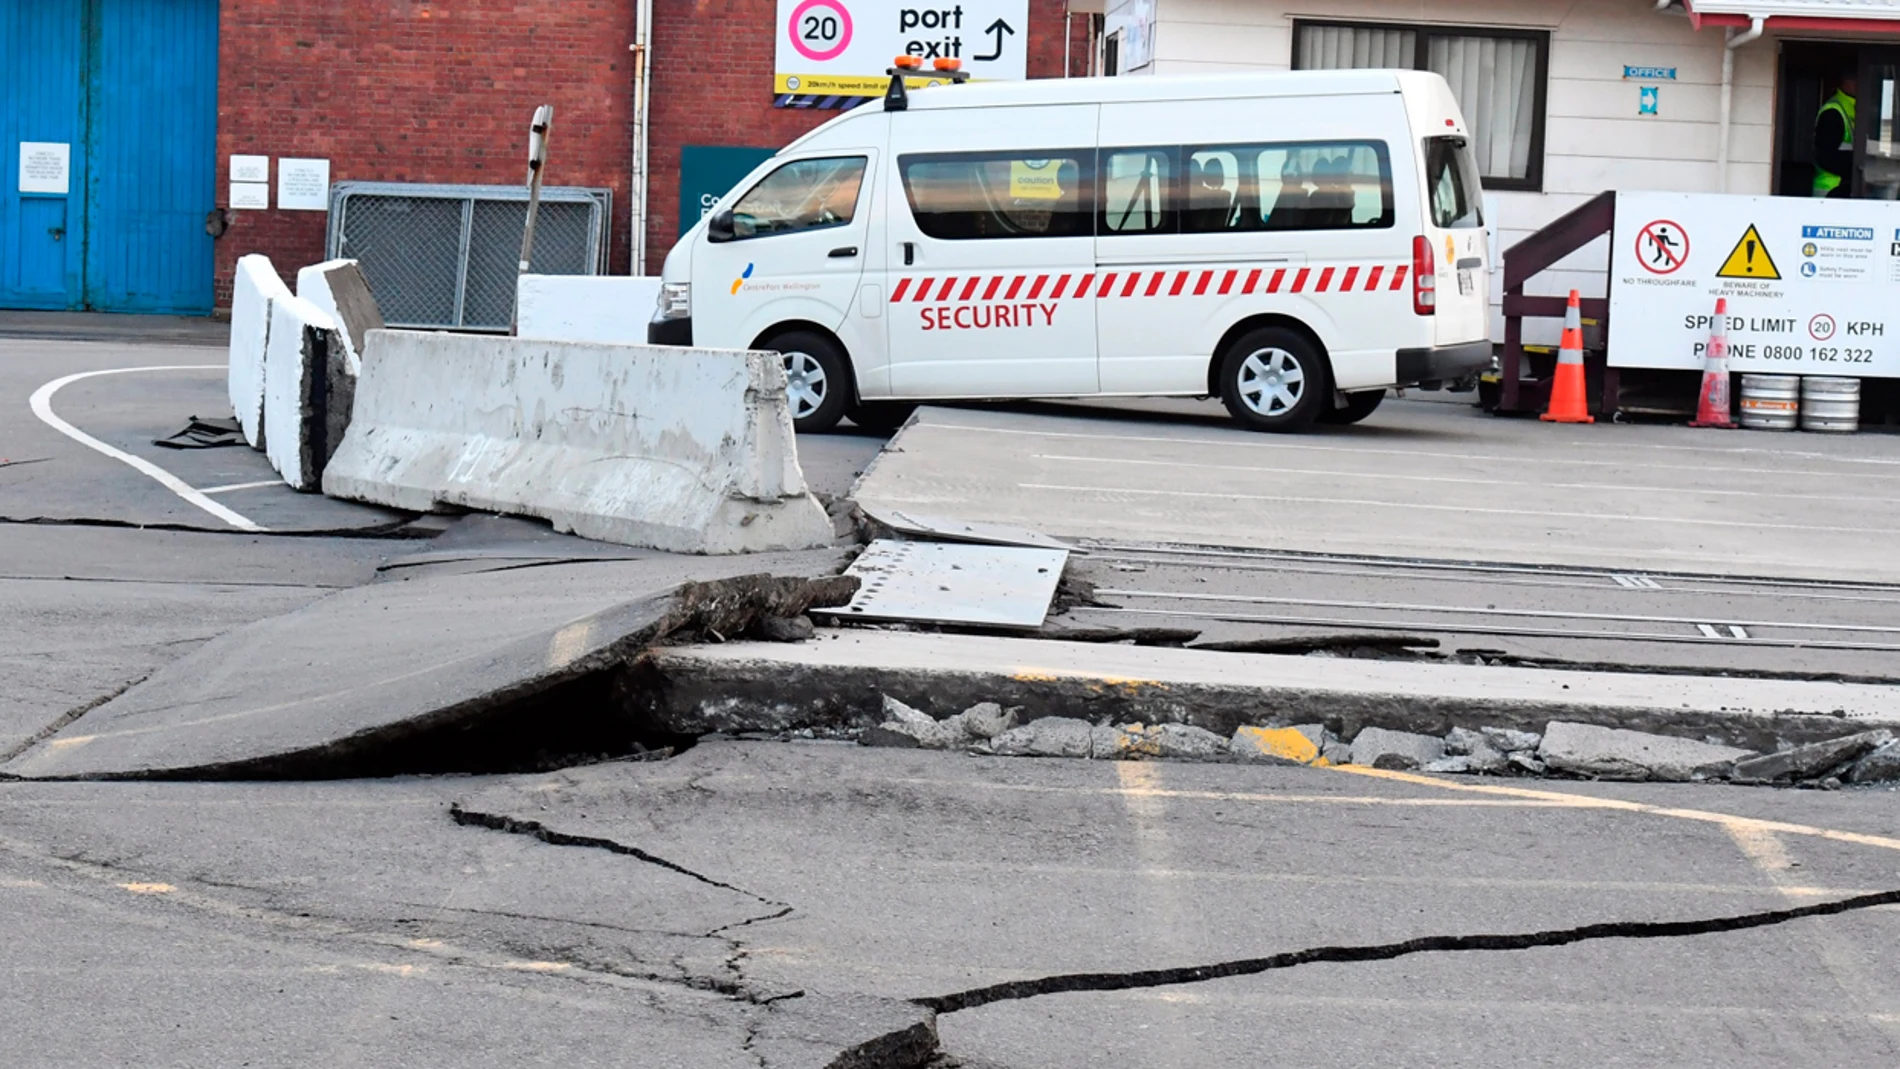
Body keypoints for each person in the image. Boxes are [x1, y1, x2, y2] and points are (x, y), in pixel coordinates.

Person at [1813, 75, 1857, 198]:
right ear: (1847, 81)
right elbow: (1824, 156)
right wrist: (1856, 163)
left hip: (1843, 187)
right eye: (1856, 80)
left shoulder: (1854, 106)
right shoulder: (1833, 112)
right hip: (1831, 189)